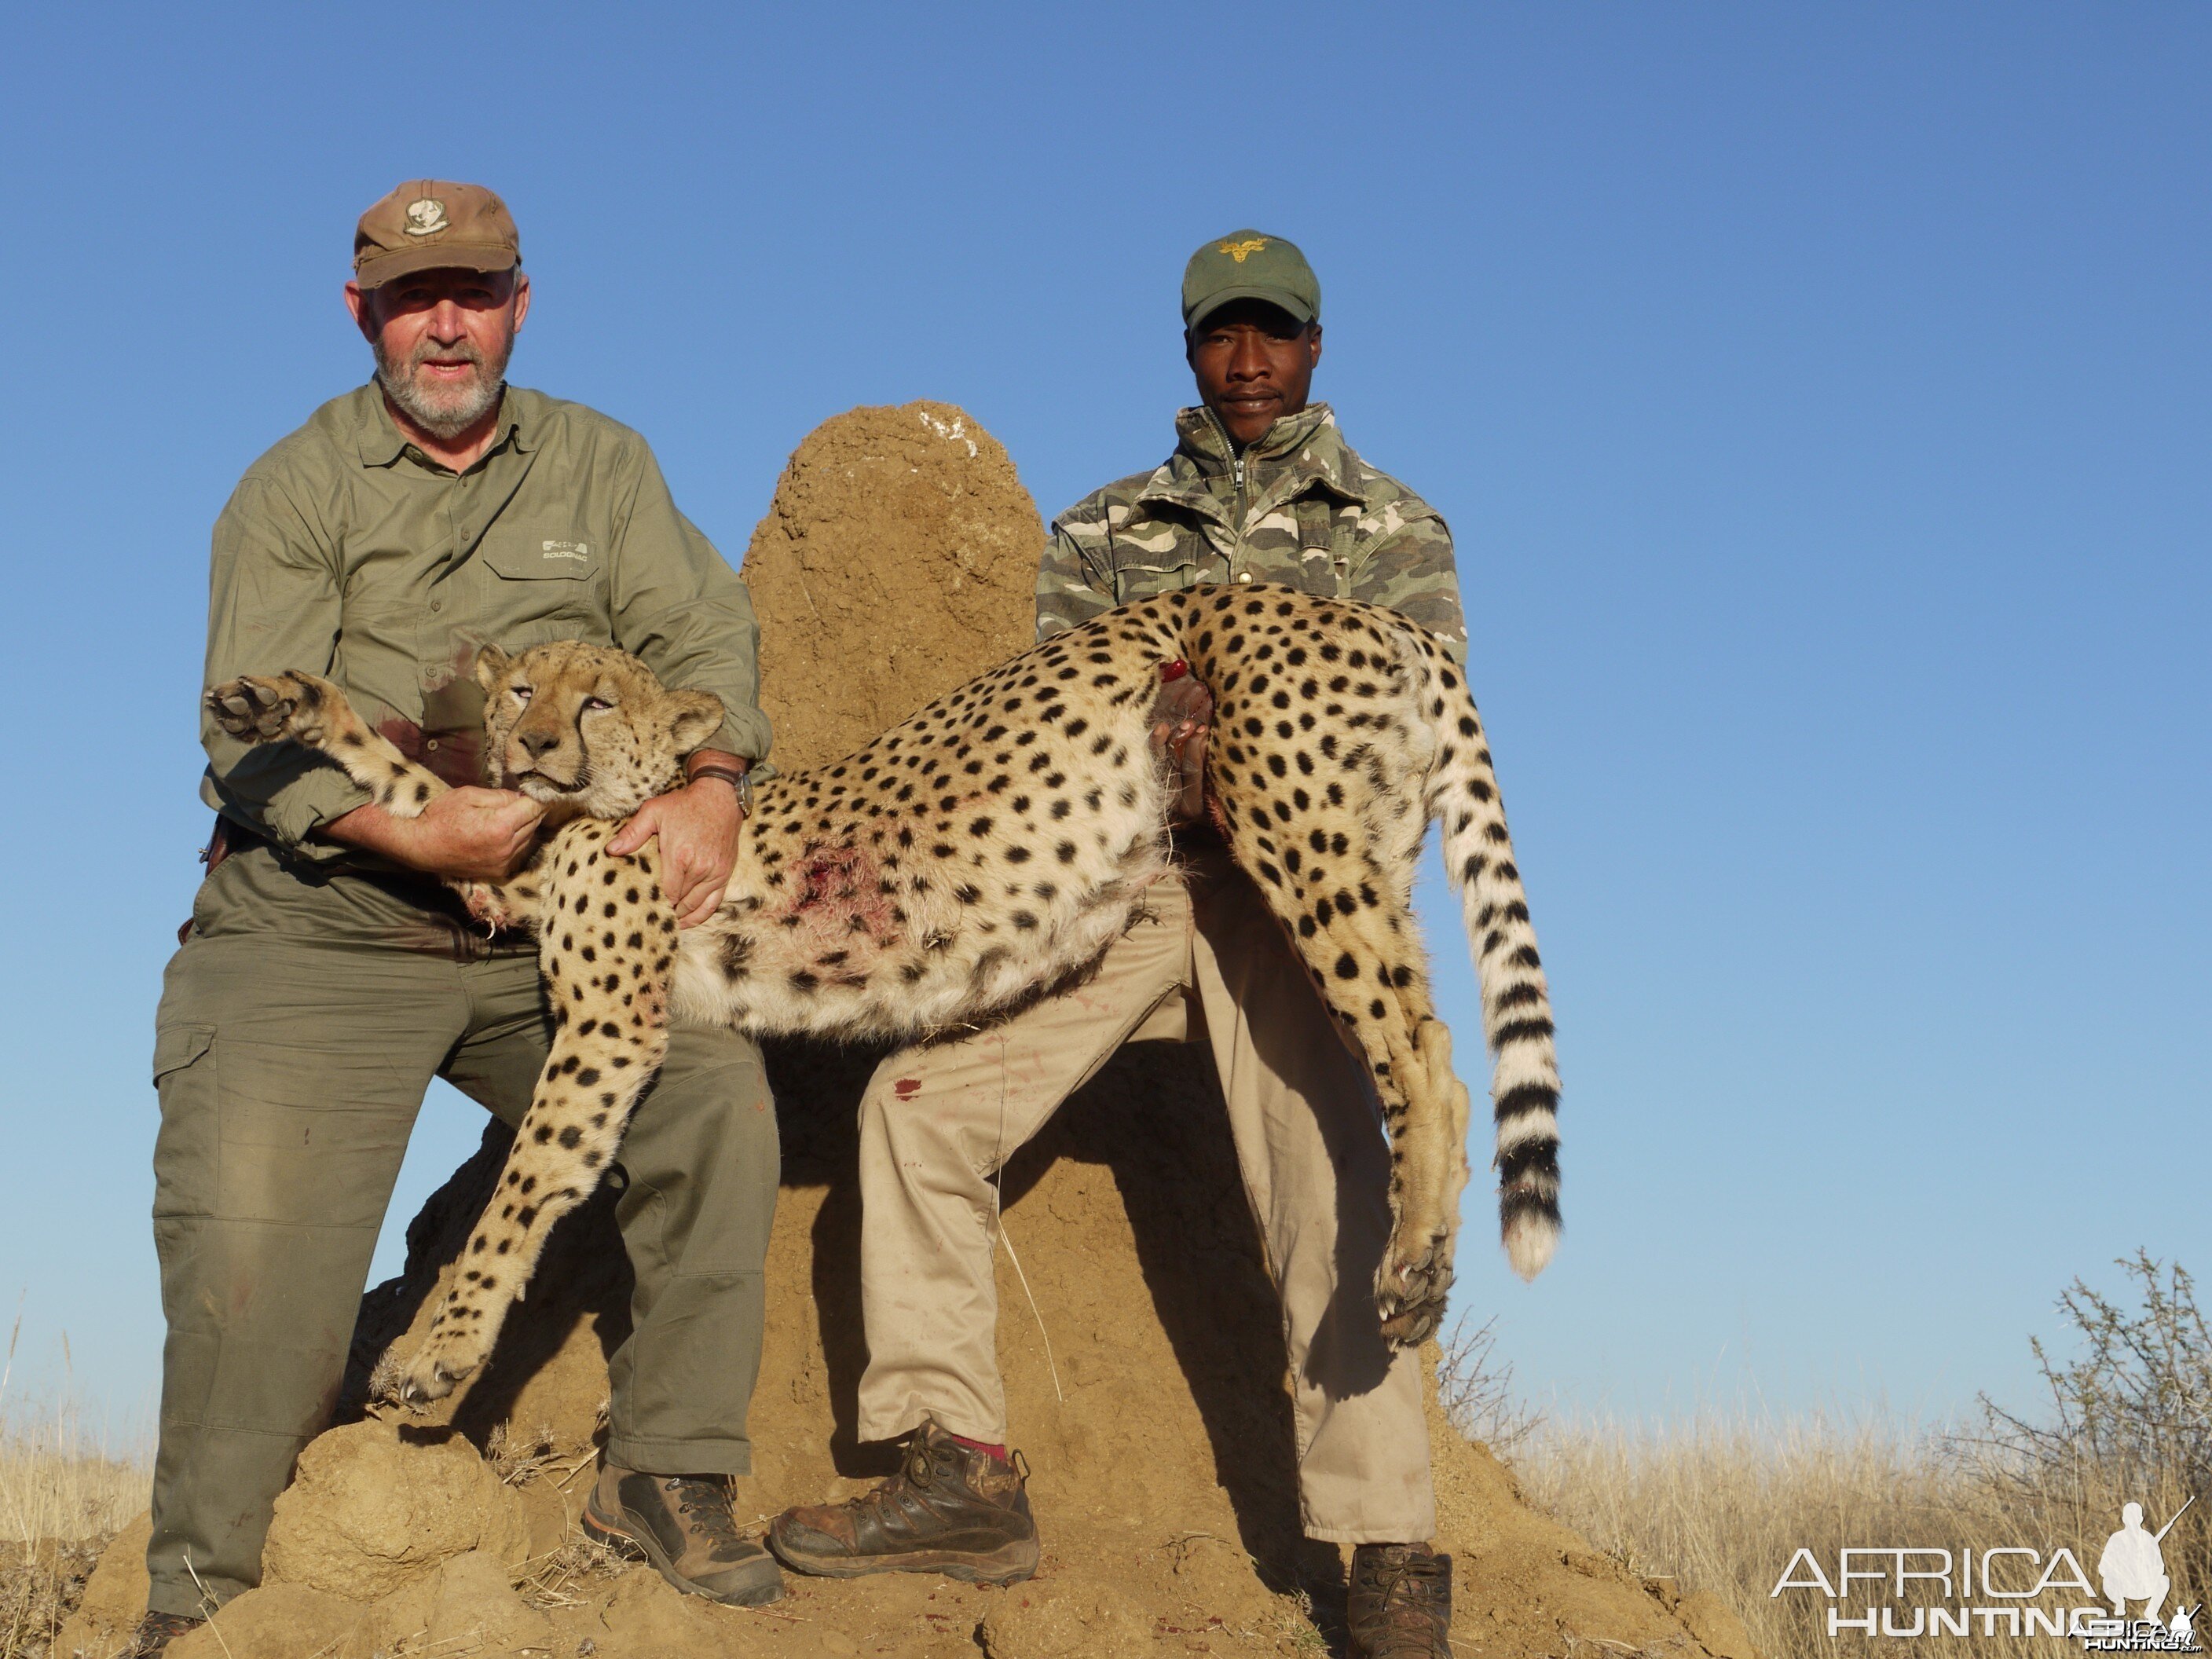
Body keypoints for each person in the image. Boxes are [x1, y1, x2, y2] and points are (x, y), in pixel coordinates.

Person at [768, 231, 1469, 1659]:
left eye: (1274, 334)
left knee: (1343, 1172)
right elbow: (1054, 740)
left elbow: (1411, 751)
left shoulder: (1397, 530)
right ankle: (956, 1471)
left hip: (1296, 907)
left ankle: (1388, 1553)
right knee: (912, 1108)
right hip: (1128, 886)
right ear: (1192, 349)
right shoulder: (1105, 530)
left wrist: (1273, 800)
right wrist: (1170, 780)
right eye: (1223, 335)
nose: (1249, 360)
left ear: (1318, 348)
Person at [134, 181, 784, 1656]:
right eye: (414, 295)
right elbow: (251, 737)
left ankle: (668, 1475)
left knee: (712, 1098)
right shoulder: (294, 487)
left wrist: (716, 785)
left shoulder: (604, 469)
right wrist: (419, 831)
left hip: (548, 922)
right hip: (326, 913)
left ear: (519, 304)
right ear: (360, 311)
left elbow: (707, 641)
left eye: (475, 291)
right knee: (251, 1240)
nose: (447, 322)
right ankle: (202, 1607)